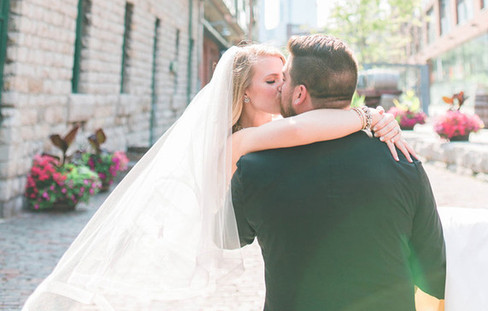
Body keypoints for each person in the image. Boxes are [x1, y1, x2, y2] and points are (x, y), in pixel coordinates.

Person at [22, 42, 412, 311]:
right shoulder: (241, 141)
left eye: (283, 77)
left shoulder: (274, 131)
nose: (284, 87)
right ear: (243, 92)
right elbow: (307, 129)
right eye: (271, 80)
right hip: (210, 253)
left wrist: (377, 119)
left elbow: (313, 126)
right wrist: (368, 116)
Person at [231, 34, 446, 311]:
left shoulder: (254, 168)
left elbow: (230, 236)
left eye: (283, 79)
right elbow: (433, 268)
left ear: (299, 93)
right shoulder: (404, 162)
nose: (280, 87)